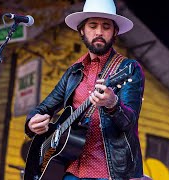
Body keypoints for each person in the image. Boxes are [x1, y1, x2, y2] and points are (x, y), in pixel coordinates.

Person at [24, 0, 145, 179]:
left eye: (106, 26)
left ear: (115, 32)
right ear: (82, 30)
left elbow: (129, 121)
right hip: (68, 169)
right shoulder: (74, 72)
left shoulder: (128, 69)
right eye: (93, 25)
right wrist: (31, 122)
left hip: (109, 172)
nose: (99, 32)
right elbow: (44, 108)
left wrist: (113, 104)